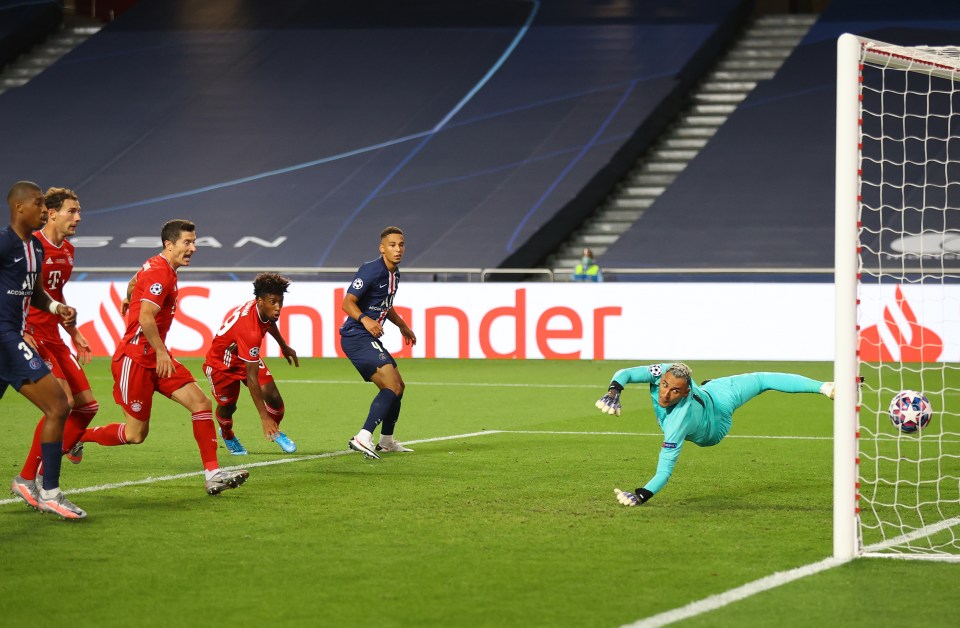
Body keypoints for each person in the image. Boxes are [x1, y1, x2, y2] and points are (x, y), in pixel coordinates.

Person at [78, 219, 248, 495]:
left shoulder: (157, 265)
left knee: (201, 403)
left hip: (156, 358)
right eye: (187, 242)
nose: (192, 248)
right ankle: (75, 437)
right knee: (135, 435)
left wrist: (127, 295)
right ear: (169, 245)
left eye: (194, 242)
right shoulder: (162, 274)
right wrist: (160, 351)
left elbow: (135, 280)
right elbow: (146, 316)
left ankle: (213, 474)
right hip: (135, 360)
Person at [594, 362, 836, 506]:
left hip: (715, 422)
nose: (665, 395)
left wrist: (641, 495)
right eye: (665, 385)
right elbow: (624, 372)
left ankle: (825, 387)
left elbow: (664, 471)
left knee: (762, 380)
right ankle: (825, 387)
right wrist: (614, 391)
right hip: (711, 391)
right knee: (755, 379)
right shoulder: (664, 371)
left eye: (675, 391)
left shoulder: (677, 422)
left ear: (686, 391)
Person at [3, 181, 87, 519]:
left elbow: (35, 294)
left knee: (61, 406)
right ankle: (48, 491)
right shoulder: (4, 243)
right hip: (7, 337)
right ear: (20, 208)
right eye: (39, 204)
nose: (44, 210)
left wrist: (57, 310)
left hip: (12, 337)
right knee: (58, 404)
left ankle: (33, 483)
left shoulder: (34, 249)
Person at [15, 188, 99, 489]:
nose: (78, 217)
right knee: (60, 404)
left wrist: (73, 330)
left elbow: (54, 294)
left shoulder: (67, 251)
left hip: (54, 335)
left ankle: (58, 450)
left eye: (78, 211)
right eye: (71, 211)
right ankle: (29, 478)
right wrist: (22, 329)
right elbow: (18, 292)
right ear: (51, 213)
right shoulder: (30, 246)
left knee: (87, 407)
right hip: (32, 335)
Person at [202, 272, 300, 455]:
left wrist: (283, 345)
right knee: (228, 407)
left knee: (273, 396)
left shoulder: (261, 309)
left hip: (244, 354)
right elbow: (251, 377)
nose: (278, 308)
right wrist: (263, 417)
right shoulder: (250, 331)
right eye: (273, 302)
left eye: (280, 301)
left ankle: (275, 431)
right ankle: (227, 434)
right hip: (221, 364)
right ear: (260, 301)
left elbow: (268, 322)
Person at [341, 226, 417, 459]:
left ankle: (386, 441)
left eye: (401, 244)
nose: (398, 249)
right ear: (382, 248)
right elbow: (347, 303)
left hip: (367, 336)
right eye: (392, 245)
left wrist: (402, 325)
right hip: (356, 336)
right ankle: (363, 437)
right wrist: (366, 321)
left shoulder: (395, 274)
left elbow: (385, 305)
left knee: (399, 387)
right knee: (391, 387)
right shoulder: (371, 270)